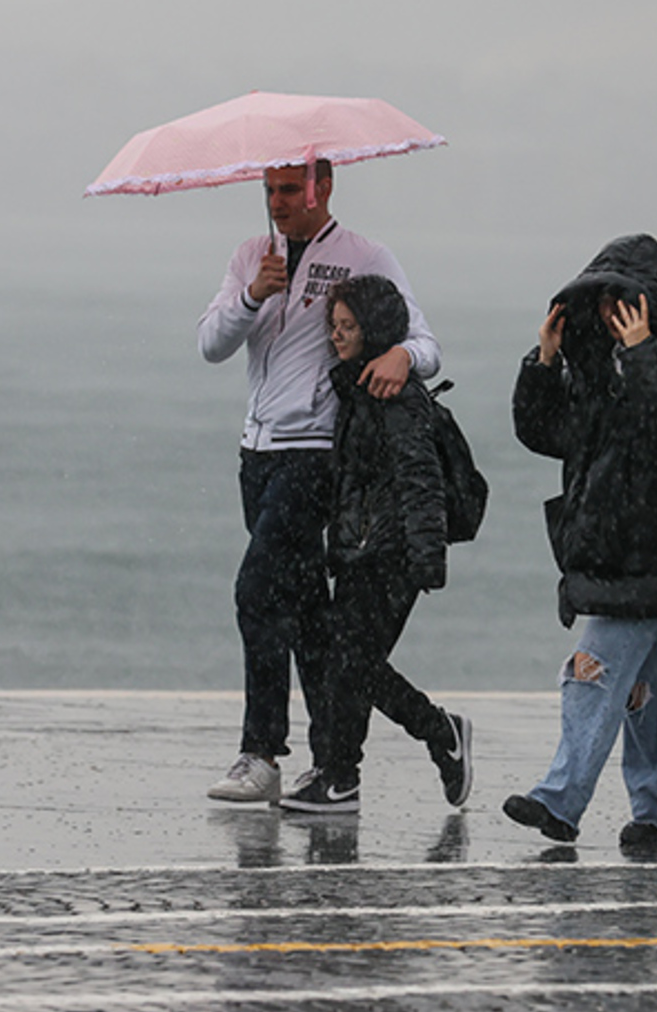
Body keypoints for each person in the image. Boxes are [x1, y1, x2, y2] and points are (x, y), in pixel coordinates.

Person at [196, 161, 441, 803]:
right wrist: (253, 296)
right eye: (269, 191)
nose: (277, 203)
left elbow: (426, 341)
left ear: (322, 188)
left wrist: (402, 355)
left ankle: (261, 752)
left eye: (289, 190)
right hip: (257, 454)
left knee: (255, 590)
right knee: (310, 619)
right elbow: (210, 344)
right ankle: (341, 767)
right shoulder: (252, 255)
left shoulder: (365, 255)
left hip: (314, 455)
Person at [502, 234, 657, 854]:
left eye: (624, 301)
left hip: (655, 551)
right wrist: (542, 364)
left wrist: (643, 352)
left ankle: (559, 799)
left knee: (589, 672)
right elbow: (544, 434)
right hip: (603, 551)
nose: (611, 314)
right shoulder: (591, 374)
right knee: (644, 693)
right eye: (601, 302)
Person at [276, 275, 472, 814]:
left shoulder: (394, 395)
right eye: (333, 326)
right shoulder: (358, 387)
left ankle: (405, 746)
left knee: (351, 663)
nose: (337, 336)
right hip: (361, 550)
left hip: (392, 554)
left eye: (349, 327)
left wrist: (426, 557)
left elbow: (420, 476)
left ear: (375, 329)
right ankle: (346, 773)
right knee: (349, 664)